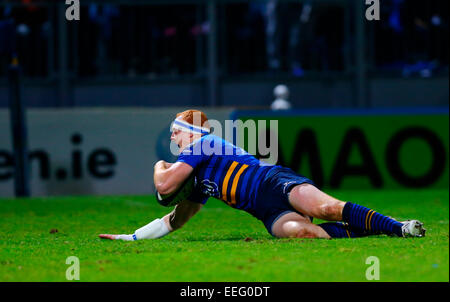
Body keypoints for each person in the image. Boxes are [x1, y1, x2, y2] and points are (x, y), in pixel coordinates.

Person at [99, 109, 425, 241]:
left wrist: (159, 165)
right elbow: (175, 218)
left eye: (175, 133)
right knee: (306, 234)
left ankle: (399, 227)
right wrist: (131, 237)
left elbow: (164, 185)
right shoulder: (197, 177)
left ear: (188, 131)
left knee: (327, 209)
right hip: (266, 211)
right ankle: (383, 232)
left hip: (275, 183)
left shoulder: (204, 142)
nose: (173, 139)